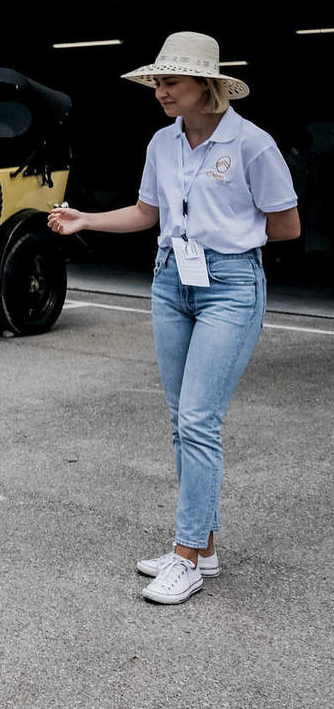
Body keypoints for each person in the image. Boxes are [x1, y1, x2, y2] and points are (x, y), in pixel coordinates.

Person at [48, 32, 299, 606]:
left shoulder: (253, 144)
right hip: (169, 281)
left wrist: (226, 242)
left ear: (205, 84)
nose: (160, 91)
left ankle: (186, 556)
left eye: (171, 81)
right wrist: (85, 219)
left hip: (231, 285)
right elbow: (146, 212)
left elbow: (287, 226)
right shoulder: (163, 143)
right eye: (157, 82)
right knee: (180, 421)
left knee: (199, 419)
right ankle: (202, 546)